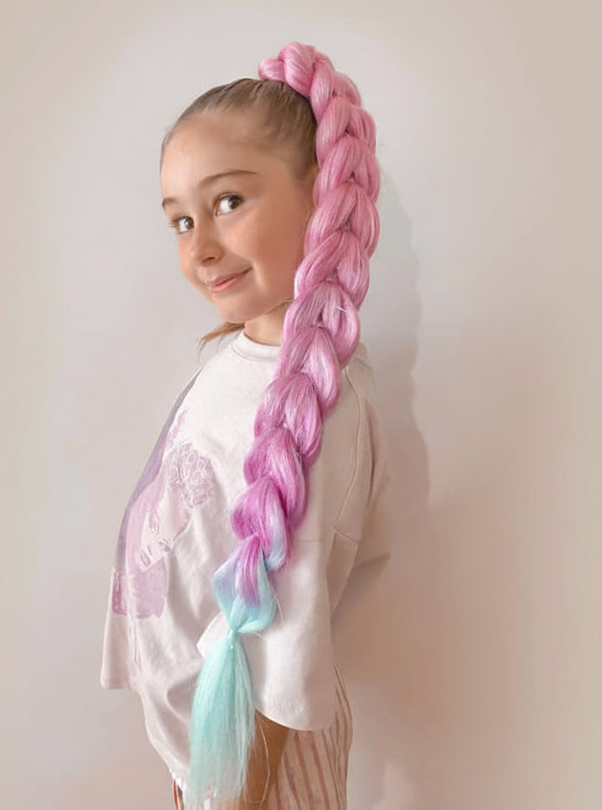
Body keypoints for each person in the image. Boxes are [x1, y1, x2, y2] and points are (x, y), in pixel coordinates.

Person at [100, 41, 392, 809]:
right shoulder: (233, 360)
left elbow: (291, 630)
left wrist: (242, 786)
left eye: (229, 201)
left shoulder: (321, 409)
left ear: (323, 196)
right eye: (180, 220)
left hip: (261, 753)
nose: (199, 247)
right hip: (206, 731)